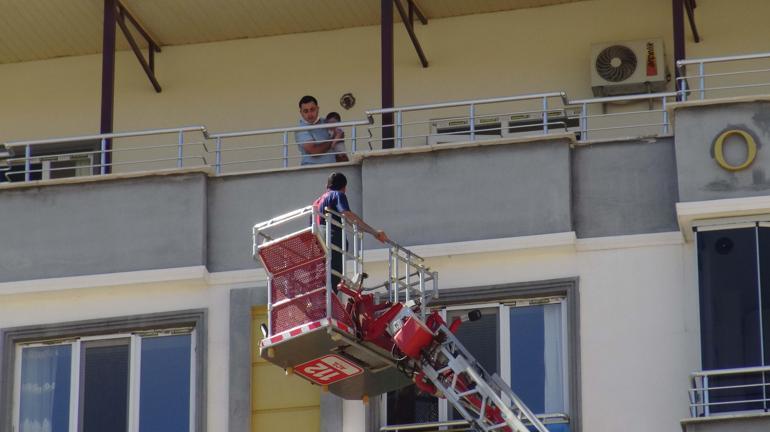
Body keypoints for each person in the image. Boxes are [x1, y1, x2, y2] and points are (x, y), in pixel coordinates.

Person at [313, 172, 388, 291]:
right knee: (333, 280)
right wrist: (375, 233)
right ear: (344, 187)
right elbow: (348, 216)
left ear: (326, 186)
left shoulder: (317, 202)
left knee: (323, 278)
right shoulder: (338, 195)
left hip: (319, 243)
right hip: (333, 241)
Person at [295, 95, 341, 165]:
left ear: (318, 108)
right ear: (301, 112)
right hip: (312, 169)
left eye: (312, 109)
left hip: (333, 167)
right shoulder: (300, 129)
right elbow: (314, 151)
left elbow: (340, 135)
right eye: (305, 111)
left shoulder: (326, 121)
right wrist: (333, 139)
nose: (310, 114)